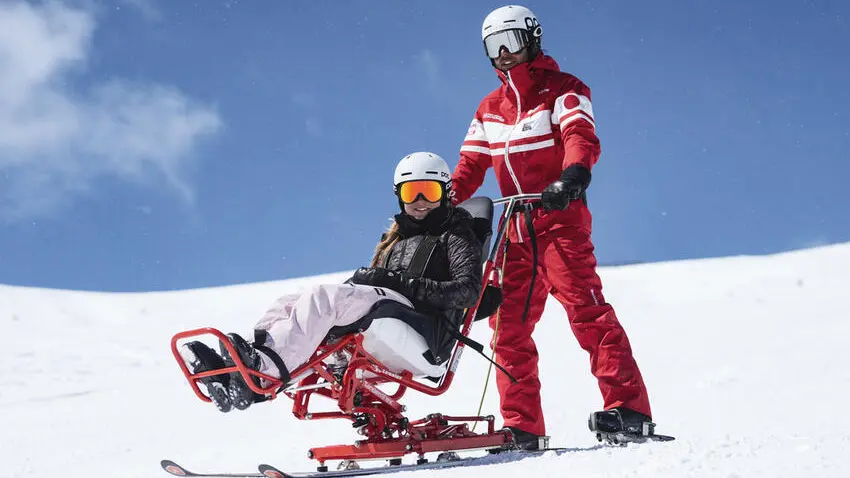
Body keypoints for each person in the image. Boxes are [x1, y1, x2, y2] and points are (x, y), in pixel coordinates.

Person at [449, 5, 654, 447]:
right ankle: (523, 425)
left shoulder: (564, 90)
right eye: (493, 46)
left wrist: (574, 174)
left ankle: (629, 409)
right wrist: (444, 200)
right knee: (507, 329)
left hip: (559, 220)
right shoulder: (490, 109)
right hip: (513, 231)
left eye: (511, 42)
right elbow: (470, 165)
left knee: (587, 311)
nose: (504, 54)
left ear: (533, 39)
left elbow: (580, 136)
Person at [180, 152, 483, 413]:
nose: (419, 202)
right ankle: (239, 368)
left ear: (445, 192)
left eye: (428, 192)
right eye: (410, 193)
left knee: (323, 299)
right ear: (398, 195)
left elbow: (468, 291)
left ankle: (261, 372)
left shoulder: (454, 235)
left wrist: (403, 283)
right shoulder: (395, 240)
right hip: (390, 320)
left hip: (424, 333)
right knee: (288, 303)